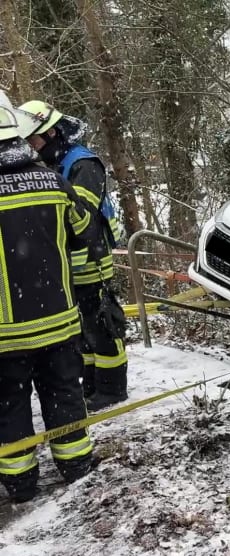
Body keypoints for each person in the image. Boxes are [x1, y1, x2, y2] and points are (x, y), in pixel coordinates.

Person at [0, 100, 101, 502]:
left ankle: (21, 485)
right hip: (59, 321)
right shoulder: (51, 182)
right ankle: (77, 468)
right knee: (64, 394)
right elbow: (82, 230)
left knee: (9, 408)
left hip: (5, 334)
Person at [18, 100, 128, 412]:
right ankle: (92, 384)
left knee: (101, 327)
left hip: (91, 263)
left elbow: (82, 218)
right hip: (65, 267)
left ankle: (112, 388)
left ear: (51, 132)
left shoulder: (83, 164)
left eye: (34, 140)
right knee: (83, 333)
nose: (31, 147)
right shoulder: (51, 164)